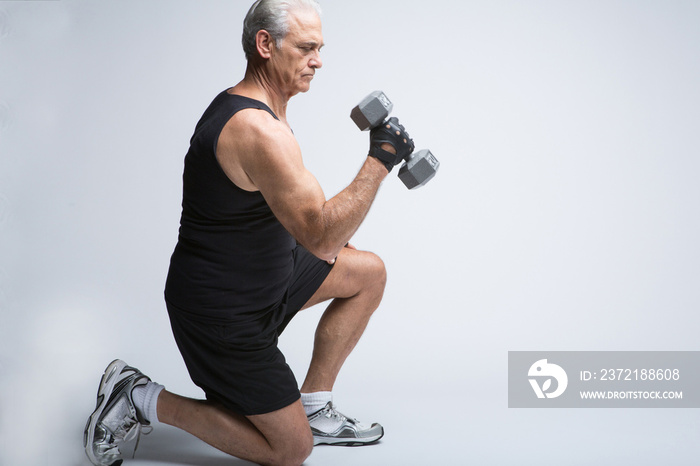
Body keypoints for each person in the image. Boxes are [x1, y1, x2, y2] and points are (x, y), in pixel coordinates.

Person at [84, 1, 413, 465]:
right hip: (222, 312)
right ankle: (139, 395)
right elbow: (319, 234)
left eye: (319, 48)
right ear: (265, 45)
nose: (318, 60)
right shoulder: (257, 129)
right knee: (289, 450)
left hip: (267, 278)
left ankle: (315, 407)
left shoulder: (264, 111)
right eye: (306, 48)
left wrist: (327, 241)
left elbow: (283, 216)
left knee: (368, 273)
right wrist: (379, 160)